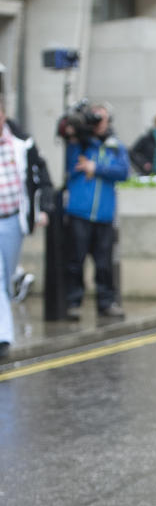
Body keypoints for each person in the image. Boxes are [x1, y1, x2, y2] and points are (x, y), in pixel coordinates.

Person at [62, 102, 129, 321]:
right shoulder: (79, 144)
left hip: (104, 215)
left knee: (104, 263)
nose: (98, 121)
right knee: (75, 261)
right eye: (94, 117)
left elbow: (123, 172)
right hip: (79, 212)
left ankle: (106, 302)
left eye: (101, 117)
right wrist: (75, 128)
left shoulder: (115, 146)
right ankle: (72, 302)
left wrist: (95, 168)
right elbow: (64, 135)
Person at [0, 99, 54, 359]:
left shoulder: (22, 142)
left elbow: (41, 177)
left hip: (13, 221)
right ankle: (3, 337)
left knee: (6, 277)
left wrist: (41, 208)